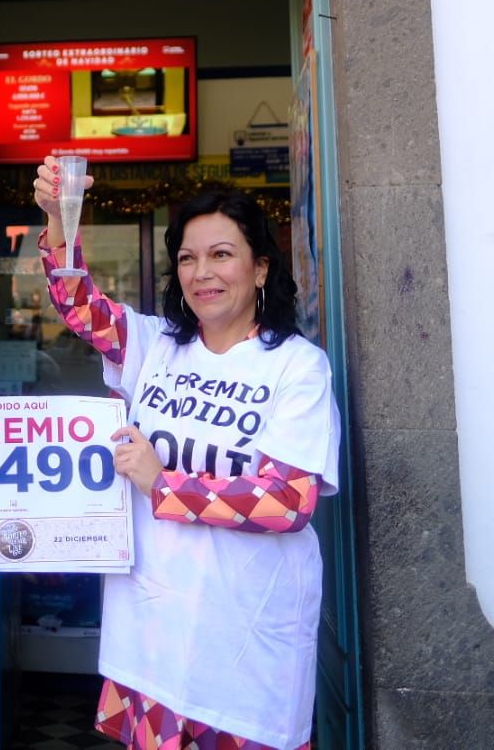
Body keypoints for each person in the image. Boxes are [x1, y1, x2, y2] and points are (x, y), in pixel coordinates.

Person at [33, 156, 340, 750]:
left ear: (260, 268)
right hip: (153, 636)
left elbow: (287, 501)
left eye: (222, 254)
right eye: (188, 258)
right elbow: (81, 307)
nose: (203, 272)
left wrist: (160, 483)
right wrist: (58, 224)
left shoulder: (297, 366)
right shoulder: (155, 346)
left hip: (247, 647)